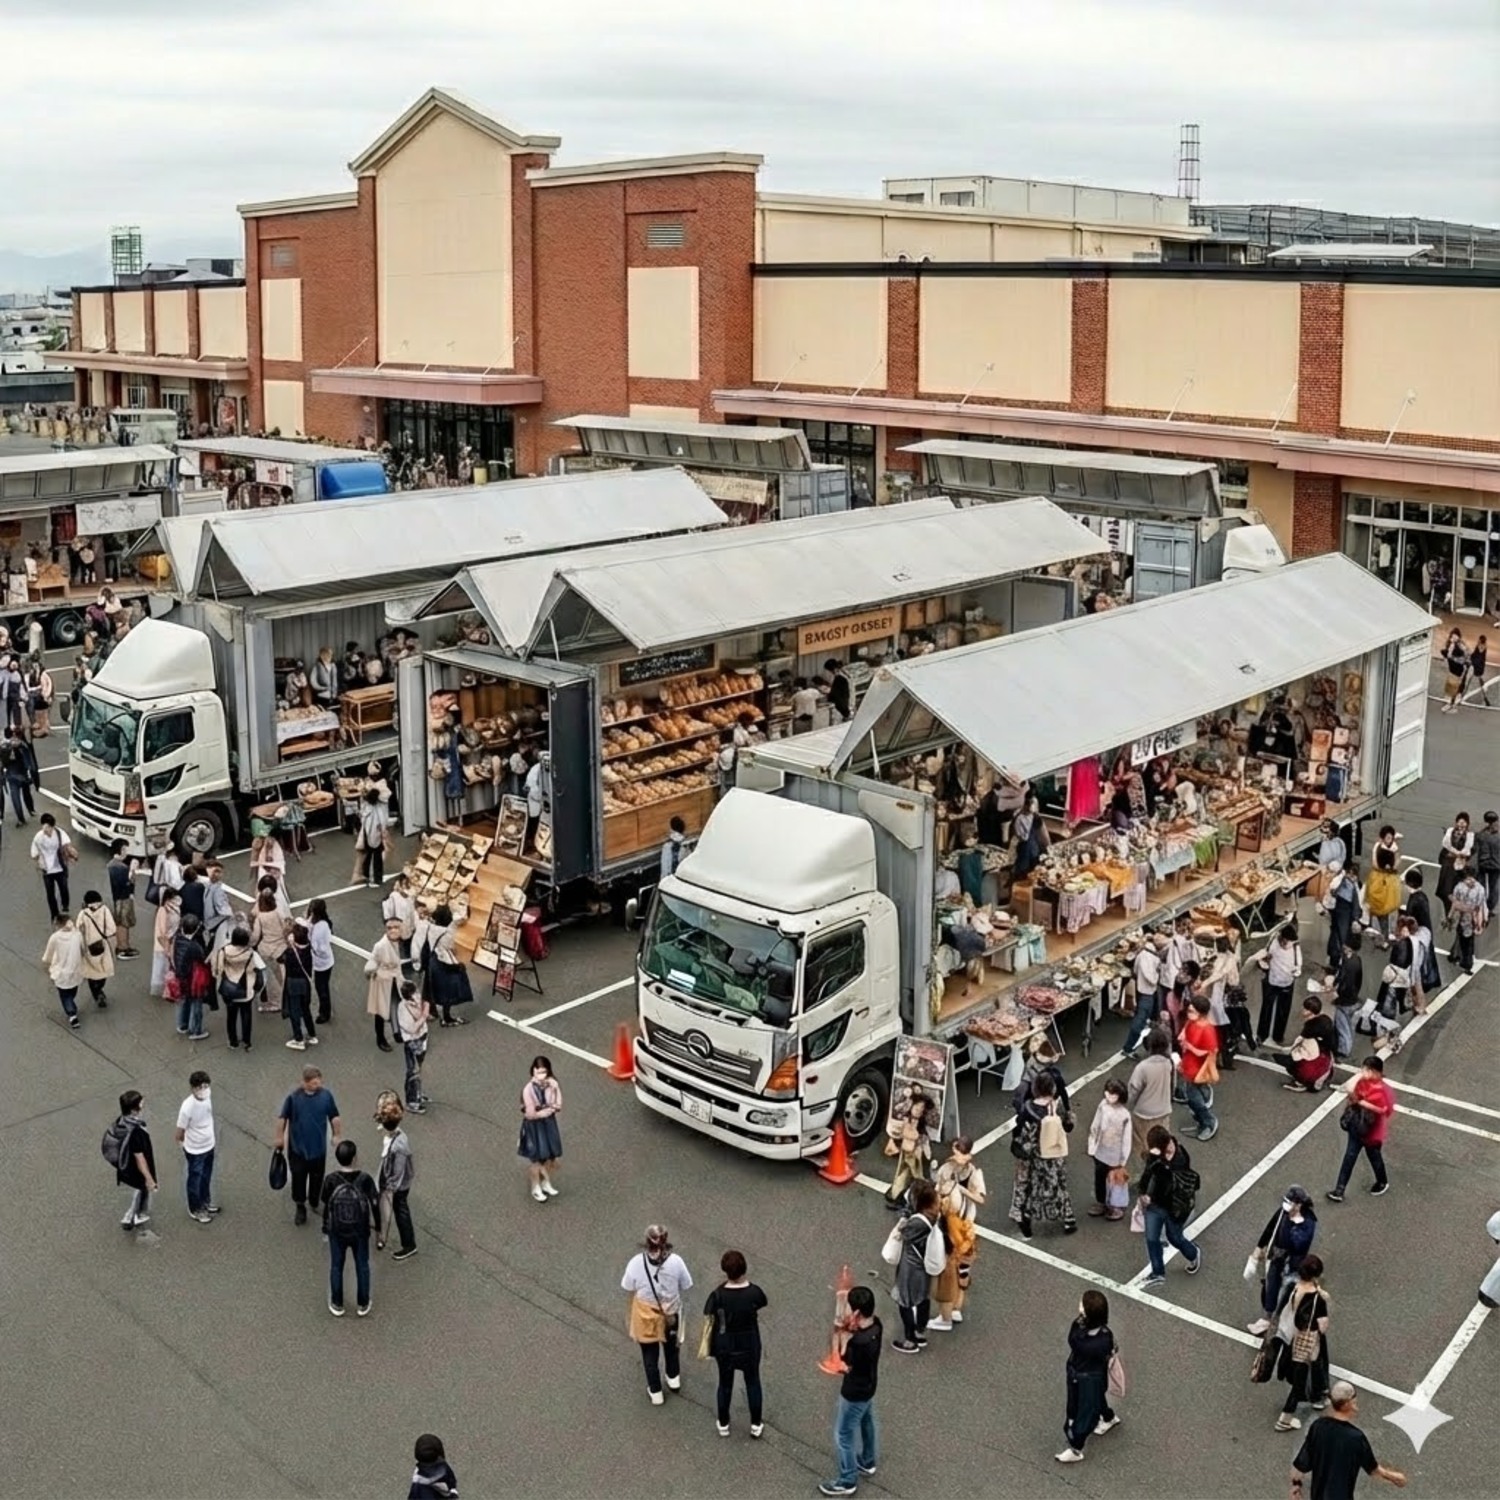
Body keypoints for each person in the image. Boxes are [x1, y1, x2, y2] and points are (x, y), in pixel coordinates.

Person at [1290, 1381, 1407, 1500]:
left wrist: (1296, 1486)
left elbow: (1301, 1464)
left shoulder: (1318, 1427)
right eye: (1354, 1399)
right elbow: (1373, 1470)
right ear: (1347, 1404)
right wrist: (1393, 1477)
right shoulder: (1356, 1438)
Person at [819, 1284, 881, 1497]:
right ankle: (867, 1461)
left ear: (856, 1313)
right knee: (866, 1421)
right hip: (869, 1385)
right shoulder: (876, 1326)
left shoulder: (857, 1343)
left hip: (854, 1392)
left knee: (843, 1434)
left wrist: (839, 1333)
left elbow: (840, 1362)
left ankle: (847, 1479)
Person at [622, 1226, 693, 1405]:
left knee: (649, 1354)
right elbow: (686, 1284)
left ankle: (656, 1392)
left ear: (646, 1242)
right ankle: (673, 1377)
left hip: (646, 1315)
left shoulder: (636, 1263)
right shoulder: (676, 1261)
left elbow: (628, 1286)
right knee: (671, 1347)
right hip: (670, 1313)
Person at [703, 1249, 768, 1438]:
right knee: (753, 1382)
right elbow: (762, 1302)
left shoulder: (718, 1295)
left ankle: (723, 1423)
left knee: (725, 1383)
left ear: (725, 1270)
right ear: (744, 1269)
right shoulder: (754, 1292)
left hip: (725, 1345)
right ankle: (755, 1424)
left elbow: (708, 1312)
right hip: (749, 1343)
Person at [1055, 1289, 1121, 1463]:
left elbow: (1073, 1340)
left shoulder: (1081, 1335)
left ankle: (1076, 1448)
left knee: (1083, 1411)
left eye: (1082, 1305)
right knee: (1096, 1398)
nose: (1079, 1306)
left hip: (1084, 1377)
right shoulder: (1105, 1335)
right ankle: (1108, 1417)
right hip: (1094, 1375)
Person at [1009, 1072, 1077, 1240]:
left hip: (1033, 1154)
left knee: (1030, 1186)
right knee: (1059, 1184)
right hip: (1054, 1154)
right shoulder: (1056, 1107)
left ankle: (1025, 1217)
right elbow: (1067, 1126)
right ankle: (1068, 1218)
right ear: (1052, 1089)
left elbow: (1019, 1128)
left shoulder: (1028, 1107)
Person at [275, 1064, 342, 1226]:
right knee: (298, 1179)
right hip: (297, 1150)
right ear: (304, 1082)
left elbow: (334, 1117)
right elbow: (282, 1118)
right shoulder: (293, 1098)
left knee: (317, 1177)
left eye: (319, 1082)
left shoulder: (326, 1096)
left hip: (318, 1149)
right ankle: (300, 1206)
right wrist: (279, 1138)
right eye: (314, 1083)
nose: (318, 1085)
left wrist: (337, 1135)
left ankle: (314, 1199)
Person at [1272, 1253, 1332, 1431]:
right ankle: (1285, 1418)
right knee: (1303, 1378)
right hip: (1307, 1341)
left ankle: (1318, 1395)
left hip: (1290, 1336)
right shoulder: (1317, 1299)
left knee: (1307, 1371)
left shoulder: (1293, 1287)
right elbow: (1323, 1326)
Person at [930, 1137, 986, 1327]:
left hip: (961, 1225)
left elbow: (981, 1199)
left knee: (959, 1268)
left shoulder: (973, 1173)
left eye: (959, 1153)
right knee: (953, 1266)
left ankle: (952, 1311)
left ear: (967, 1154)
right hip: (950, 1222)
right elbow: (937, 1191)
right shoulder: (947, 1169)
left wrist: (961, 1189)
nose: (955, 1157)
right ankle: (952, 1309)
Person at [1137, 1125, 1202, 1289]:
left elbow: (1169, 1184)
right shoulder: (1156, 1155)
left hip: (1175, 1207)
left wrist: (1159, 1164)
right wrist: (1143, 1192)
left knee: (1175, 1238)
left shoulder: (1180, 1158)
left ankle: (1193, 1253)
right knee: (1152, 1238)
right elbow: (1147, 1174)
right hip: (1156, 1204)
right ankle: (1158, 1272)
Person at [1248, 1185, 1318, 1335]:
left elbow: (1297, 1244)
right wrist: (1257, 1251)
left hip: (1292, 1267)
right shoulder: (1283, 1213)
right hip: (1277, 1259)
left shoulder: (1308, 1224)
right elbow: (1270, 1228)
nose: (1286, 1205)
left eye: (1290, 1202)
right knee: (1270, 1287)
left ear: (1298, 1204)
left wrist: (1290, 1223)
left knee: (1285, 1296)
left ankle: (1277, 1323)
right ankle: (1267, 1318)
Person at [320, 1139, 379, 1317]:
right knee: (362, 1265)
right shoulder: (365, 1179)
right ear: (354, 1158)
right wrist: (378, 1229)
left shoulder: (331, 1180)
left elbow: (326, 1203)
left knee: (337, 1265)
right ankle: (363, 1303)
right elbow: (375, 1204)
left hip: (337, 1230)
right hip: (360, 1231)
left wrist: (326, 1227)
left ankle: (337, 1303)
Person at [1327, 1057, 1394, 1202]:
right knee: (1350, 1157)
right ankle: (1340, 1190)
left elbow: (1384, 1110)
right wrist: (1360, 1076)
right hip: (1357, 1126)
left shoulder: (1382, 1090)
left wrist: (1363, 1102)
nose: (1363, 1072)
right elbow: (1349, 1088)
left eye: (1366, 1070)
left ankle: (1382, 1181)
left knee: (1373, 1156)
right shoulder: (1362, 1082)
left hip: (1372, 1130)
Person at [890, 1178, 943, 1353]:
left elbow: (902, 1232)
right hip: (924, 1265)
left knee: (904, 1300)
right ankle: (920, 1330)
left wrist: (904, 1218)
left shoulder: (916, 1223)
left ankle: (910, 1340)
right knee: (923, 1298)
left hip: (910, 1267)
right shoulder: (934, 1216)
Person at [375, 1095, 417, 1262]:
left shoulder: (398, 1147)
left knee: (400, 1211)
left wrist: (389, 1190)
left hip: (398, 1186)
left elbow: (397, 1173)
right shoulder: (398, 1135)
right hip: (393, 1180)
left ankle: (409, 1244)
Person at [174, 1070, 218, 1224]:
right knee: (195, 1179)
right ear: (193, 1088)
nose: (203, 1090)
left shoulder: (208, 1096)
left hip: (209, 1145)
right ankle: (195, 1208)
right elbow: (179, 1132)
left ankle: (205, 1202)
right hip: (195, 1150)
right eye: (200, 1087)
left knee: (206, 1176)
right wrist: (184, 1146)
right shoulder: (187, 1107)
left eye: (206, 1086)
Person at [518, 1054, 563, 1202]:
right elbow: (531, 1114)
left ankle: (545, 1182)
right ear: (533, 1071)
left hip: (548, 1124)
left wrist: (555, 1090)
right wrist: (546, 1111)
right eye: (538, 1071)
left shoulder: (552, 1084)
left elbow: (558, 1104)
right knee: (537, 1159)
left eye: (544, 1071)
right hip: (535, 1126)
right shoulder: (528, 1089)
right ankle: (535, 1187)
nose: (541, 1075)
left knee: (551, 1157)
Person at [1086, 1080, 1132, 1221]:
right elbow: (1095, 1126)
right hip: (1100, 1151)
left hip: (1115, 1154)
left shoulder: (1125, 1115)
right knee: (1099, 1178)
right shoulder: (1103, 1106)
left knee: (1116, 1181)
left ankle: (1116, 1206)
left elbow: (1126, 1139)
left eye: (1113, 1094)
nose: (1109, 1096)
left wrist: (1123, 1159)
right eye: (1108, 1092)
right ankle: (1101, 1202)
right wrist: (1092, 1146)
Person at [213, 926, 265, 1051]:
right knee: (246, 1015)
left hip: (229, 989)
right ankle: (247, 1041)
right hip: (246, 989)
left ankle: (233, 1042)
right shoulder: (251, 954)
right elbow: (261, 968)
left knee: (231, 1017)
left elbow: (219, 969)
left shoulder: (224, 951)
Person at [113, 1090, 159, 1231]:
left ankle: (134, 1215)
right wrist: (149, 1178)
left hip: (129, 1162)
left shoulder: (123, 1121)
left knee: (140, 1188)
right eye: (140, 1102)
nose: (143, 1102)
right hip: (137, 1165)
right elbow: (140, 1158)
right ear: (134, 1109)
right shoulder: (136, 1132)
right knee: (141, 1187)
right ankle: (132, 1217)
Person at [1126, 1028, 1174, 1163]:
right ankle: (1162, 1165)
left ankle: (1148, 1168)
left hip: (1144, 1114)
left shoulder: (1143, 1067)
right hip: (1164, 1111)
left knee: (1143, 1145)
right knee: (1162, 1143)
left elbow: (1133, 1090)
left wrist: (1128, 1106)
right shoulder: (1168, 1063)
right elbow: (1173, 1086)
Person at [1176, 994, 1220, 1140]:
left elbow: (1211, 1052)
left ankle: (1209, 1123)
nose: (1188, 1013)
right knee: (1192, 1097)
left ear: (1200, 1013)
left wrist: (1190, 1047)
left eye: (1191, 1011)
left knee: (1194, 1100)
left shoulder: (1207, 1030)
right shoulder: (1191, 1023)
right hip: (1189, 1065)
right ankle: (1203, 1122)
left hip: (1198, 1069)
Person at [883, 1088, 934, 1209]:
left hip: (913, 1151)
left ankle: (898, 1196)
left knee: (908, 1173)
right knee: (913, 1174)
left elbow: (922, 1135)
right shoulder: (907, 1119)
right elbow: (904, 1134)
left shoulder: (919, 1121)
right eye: (917, 1107)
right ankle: (907, 1197)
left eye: (921, 1108)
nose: (919, 1110)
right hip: (909, 1150)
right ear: (911, 1106)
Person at [1274, 995, 1337, 1093]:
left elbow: (1301, 1045)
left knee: (1295, 1062)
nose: (1302, 1010)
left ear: (1310, 1012)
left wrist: (1290, 1050)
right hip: (1326, 1057)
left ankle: (1300, 1082)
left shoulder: (1311, 1027)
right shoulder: (1325, 1020)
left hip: (1313, 1059)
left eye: (1305, 1008)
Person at [424, 905, 473, 1027]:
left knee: (433, 988)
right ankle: (446, 1017)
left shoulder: (431, 927)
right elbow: (449, 947)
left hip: (433, 960)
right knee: (448, 991)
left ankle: (434, 1012)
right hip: (443, 961)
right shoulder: (448, 932)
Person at [1257, 925, 1303, 1045]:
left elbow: (1298, 967)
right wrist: (1264, 963)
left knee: (1283, 1011)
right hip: (1271, 981)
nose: (1287, 945)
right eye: (1285, 941)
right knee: (1266, 1009)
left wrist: (1295, 972)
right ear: (1281, 938)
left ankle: (1278, 1036)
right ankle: (1262, 1035)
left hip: (1287, 983)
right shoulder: (1273, 942)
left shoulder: (1295, 948)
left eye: (1290, 942)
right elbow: (1264, 957)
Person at [364, 916, 403, 1052]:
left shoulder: (400, 942)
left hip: (396, 980)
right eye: (389, 928)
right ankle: (380, 1039)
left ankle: (397, 1031)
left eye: (396, 927)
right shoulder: (380, 945)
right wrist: (370, 972)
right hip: (383, 982)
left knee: (396, 1005)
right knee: (380, 1011)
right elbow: (372, 962)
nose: (393, 930)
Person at [1123, 932, 1166, 1056]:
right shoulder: (1147, 957)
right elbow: (1151, 978)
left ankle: (1132, 1046)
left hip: (1145, 991)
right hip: (1147, 992)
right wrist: (1158, 973)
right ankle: (1128, 1048)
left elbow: (1135, 971)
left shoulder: (1143, 954)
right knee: (1140, 1021)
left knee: (1146, 1018)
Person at [41, 913, 85, 1030]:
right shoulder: (77, 935)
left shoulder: (55, 937)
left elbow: (48, 954)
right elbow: (83, 950)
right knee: (72, 991)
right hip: (75, 970)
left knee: (65, 995)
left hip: (60, 972)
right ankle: (71, 1007)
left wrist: (47, 964)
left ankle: (72, 1014)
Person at [171, 912, 211, 1041]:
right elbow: (203, 958)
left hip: (181, 977)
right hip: (193, 979)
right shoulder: (194, 946)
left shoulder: (177, 939)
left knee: (184, 1001)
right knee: (196, 1004)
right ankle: (196, 1030)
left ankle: (183, 1025)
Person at [75, 889, 117, 1009]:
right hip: (102, 945)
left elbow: (78, 930)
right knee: (103, 971)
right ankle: (100, 988)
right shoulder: (104, 910)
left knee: (91, 972)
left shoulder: (83, 914)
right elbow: (112, 929)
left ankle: (96, 993)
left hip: (88, 947)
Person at [394, 981, 431, 1114]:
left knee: (418, 1068)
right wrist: (424, 1015)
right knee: (412, 1071)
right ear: (409, 996)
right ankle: (412, 1101)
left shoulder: (417, 1002)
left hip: (422, 1038)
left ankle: (418, 1094)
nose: (418, 994)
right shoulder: (403, 1009)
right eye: (415, 993)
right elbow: (412, 1029)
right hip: (412, 1042)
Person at [280, 921, 319, 1048]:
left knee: (294, 1011)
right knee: (306, 1009)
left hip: (293, 983)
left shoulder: (290, 952)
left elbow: (280, 959)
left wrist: (289, 944)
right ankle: (312, 1034)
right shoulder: (308, 948)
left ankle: (299, 1039)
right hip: (305, 982)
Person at [1327, 933, 1364, 1062]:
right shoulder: (1357, 960)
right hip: (1353, 998)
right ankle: (1344, 1048)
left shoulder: (1346, 962)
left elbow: (1343, 980)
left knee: (1342, 1027)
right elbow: (1358, 980)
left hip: (1345, 1000)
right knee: (1349, 1026)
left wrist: (1336, 992)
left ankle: (1343, 1052)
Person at [250, 891, 289, 1014]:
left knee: (270, 979)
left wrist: (250, 944)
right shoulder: (278, 912)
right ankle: (286, 997)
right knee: (282, 976)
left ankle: (275, 1002)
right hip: (281, 948)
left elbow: (255, 937)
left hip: (266, 950)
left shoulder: (260, 917)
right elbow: (285, 928)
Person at [30, 811, 74, 919]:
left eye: (48, 828)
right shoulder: (38, 837)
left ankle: (65, 905)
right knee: (50, 894)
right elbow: (34, 854)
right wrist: (39, 860)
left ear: (52, 826)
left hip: (60, 867)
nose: (46, 830)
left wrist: (70, 854)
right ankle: (54, 914)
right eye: (44, 828)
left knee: (64, 888)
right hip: (47, 870)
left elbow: (67, 844)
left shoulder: (59, 833)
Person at [1436, 812, 1475, 923]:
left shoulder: (1469, 836)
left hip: (1458, 868)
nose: (1461, 824)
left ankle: (1451, 915)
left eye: (1464, 822)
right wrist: (1454, 854)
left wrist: (1461, 855)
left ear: (1467, 824)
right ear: (1456, 822)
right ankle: (1449, 914)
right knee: (1444, 891)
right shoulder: (1450, 832)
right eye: (1459, 821)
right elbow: (1445, 847)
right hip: (1447, 866)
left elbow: (1469, 851)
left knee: (1452, 892)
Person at [1362, 840, 1402, 948]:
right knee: (1384, 924)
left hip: (1376, 906)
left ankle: (1379, 940)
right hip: (1386, 907)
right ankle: (1384, 939)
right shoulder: (1392, 877)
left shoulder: (1375, 875)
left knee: (1377, 924)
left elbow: (1370, 892)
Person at [1448, 866, 1487, 975]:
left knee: (1467, 942)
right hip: (1460, 917)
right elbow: (1454, 903)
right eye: (1468, 879)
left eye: (1472, 878)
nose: (1471, 881)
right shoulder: (1459, 887)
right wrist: (1450, 916)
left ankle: (1466, 964)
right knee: (1461, 938)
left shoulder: (1480, 889)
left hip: (1471, 919)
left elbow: (1480, 907)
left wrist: (1479, 923)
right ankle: (1456, 956)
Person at [106, 839, 141, 959]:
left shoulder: (112, 865)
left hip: (118, 899)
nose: (127, 852)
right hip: (122, 900)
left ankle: (124, 946)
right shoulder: (121, 867)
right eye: (126, 849)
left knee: (122, 923)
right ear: (121, 850)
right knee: (123, 924)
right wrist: (132, 871)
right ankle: (122, 948)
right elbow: (127, 885)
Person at [1323, 859, 1360, 969]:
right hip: (1343, 912)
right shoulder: (1348, 886)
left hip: (1339, 910)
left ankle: (1333, 958)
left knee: (1335, 934)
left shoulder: (1344, 883)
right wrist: (1355, 918)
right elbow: (1355, 903)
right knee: (1340, 937)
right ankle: (1336, 961)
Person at [306, 898, 336, 1024]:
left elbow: (319, 948)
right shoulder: (320, 922)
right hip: (323, 961)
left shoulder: (321, 927)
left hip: (323, 963)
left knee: (322, 988)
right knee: (322, 986)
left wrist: (311, 946)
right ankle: (324, 1010)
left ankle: (325, 1013)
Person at [2, 724, 38, 826]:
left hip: (11, 774)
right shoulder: (22, 745)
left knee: (15, 797)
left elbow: (3, 762)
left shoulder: (4, 746)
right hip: (22, 773)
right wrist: (30, 772)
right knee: (26, 793)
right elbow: (28, 760)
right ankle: (31, 810)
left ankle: (20, 818)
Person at [150, 889, 182, 999]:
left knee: (167, 967)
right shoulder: (163, 910)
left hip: (169, 942)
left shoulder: (173, 910)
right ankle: (166, 990)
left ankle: (167, 989)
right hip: (163, 943)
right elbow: (162, 931)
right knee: (163, 968)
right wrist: (167, 945)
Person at [408, 1434, 459, 1499]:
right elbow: (451, 1479)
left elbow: (413, 1495)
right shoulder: (443, 1467)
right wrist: (453, 1491)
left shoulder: (418, 1479)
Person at [358, 787, 390, 887]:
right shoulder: (379, 807)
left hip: (367, 834)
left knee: (368, 855)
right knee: (377, 857)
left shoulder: (365, 806)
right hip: (375, 834)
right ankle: (376, 878)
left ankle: (366, 874)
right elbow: (382, 820)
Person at [383, 873, 417, 966]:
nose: (406, 887)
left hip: (408, 927)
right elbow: (389, 910)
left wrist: (414, 926)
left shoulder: (411, 897)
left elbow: (413, 913)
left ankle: (406, 960)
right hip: (397, 926)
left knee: (406, 945)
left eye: (408, 884)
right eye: (404, 884)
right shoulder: (394, 896)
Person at [250, 833, 289, 911]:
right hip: (264, 867)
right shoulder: (260, 843)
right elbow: (256, 860)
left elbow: (278, 864)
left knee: (275, 885)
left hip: (273, 868)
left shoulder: (276, 847)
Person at [1476, 810, 1500, 919]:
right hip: (1496, 864)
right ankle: (1490, 907)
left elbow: (1477, 847)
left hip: (1483, 862)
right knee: (1494, 886)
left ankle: (1481, 904)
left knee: (1481, 885)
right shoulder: (1498, 835)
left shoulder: (1481, 835)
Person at [1440, 629, 1469, 712]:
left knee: (1453, 685)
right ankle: (1451, 701)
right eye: (1452, 636)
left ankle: (1451, 703)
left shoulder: (1461, 645)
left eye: (1455, 636)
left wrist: (1453, 657)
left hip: (1457, 668)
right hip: (1452, 668)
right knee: (1450, 684)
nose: (1454, 638)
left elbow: (1465, 655)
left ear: (1459, 636)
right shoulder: (1450, 644)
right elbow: (1448, 654)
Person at [24, 657, 52, 736]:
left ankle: (44, 727)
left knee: (42, 705)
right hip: (32, 694)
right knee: (31, 702)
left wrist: (46, 694)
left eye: (37, 665)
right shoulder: (27, 675)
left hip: (42, 694)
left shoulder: (43, 674)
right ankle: (36, 724)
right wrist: (37, 688)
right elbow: (27, 687)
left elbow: (49, 684)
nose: (35, 667)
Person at [659, 815, 689, 881]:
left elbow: (665, 869)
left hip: (670, 879)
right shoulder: (686, 846)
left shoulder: (667, 846)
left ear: (671, 828)